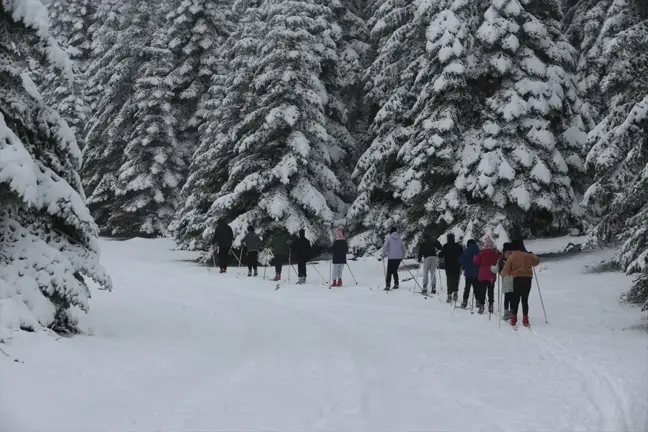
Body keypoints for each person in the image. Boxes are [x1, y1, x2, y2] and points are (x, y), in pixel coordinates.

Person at [501, 239, 540, 327]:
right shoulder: (527, 255)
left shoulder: (512, 256)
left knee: (516, 299)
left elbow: (505, 271)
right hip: (527, 279)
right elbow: (537, 261)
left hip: (516, 279)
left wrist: (506, 274)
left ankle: (514, 318)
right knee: (525, 299)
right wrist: (532, 254)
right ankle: (525, 318)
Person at [473, 236, 501, 314]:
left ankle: (482, 306)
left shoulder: (481, 253)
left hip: (482, 275)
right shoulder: (494, 253)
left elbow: (476, 262)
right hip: (492, 274)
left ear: (485, 244)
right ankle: (491, 305)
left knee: (482, 291)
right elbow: (499, 259)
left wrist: (475, 257)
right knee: (491, 291)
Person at [438, 233, 463, 303]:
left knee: (449, 280)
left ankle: (449, 294)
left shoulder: (446, 246)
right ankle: (455, 293)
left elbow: (441, 255)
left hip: (448, 266)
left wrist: (439, 254)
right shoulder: (458, 246)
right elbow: (462, 255)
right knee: (456, 279)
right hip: (457, 266)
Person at [458, 239, 480, 309]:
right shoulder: (478, 252)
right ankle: (478, 301)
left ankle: (465, 301)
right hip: (476, 273)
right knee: (476, 287)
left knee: (467, 287)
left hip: (468, 272)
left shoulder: (466, 251)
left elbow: (460, 260)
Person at [497, 242, 514, 320]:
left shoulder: (501, 259)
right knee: (513, 297)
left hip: (506, 280)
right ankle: (512, 311)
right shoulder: (514, 256)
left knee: (507, 297)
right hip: (514, 280)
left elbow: (497, 269)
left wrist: (490, 267)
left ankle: (506, 312)